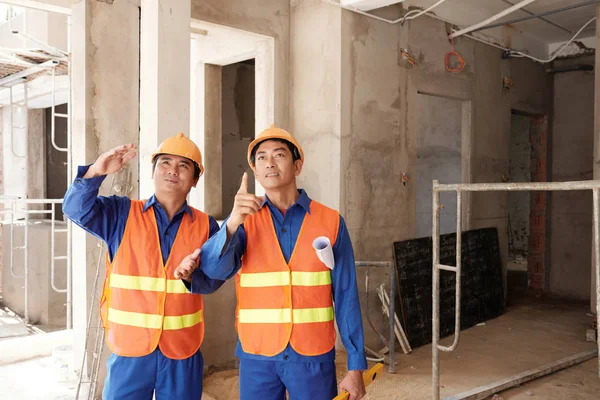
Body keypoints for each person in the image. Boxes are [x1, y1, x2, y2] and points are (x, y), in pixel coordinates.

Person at [179, 125, 368, 400]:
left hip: (312, 355)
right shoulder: (243, 222)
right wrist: (232, 222)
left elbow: (346, 294)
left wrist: (355, 366)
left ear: (297, 165)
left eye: (279, 155)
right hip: (258, 357)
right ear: (255, 171)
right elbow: (213, 271)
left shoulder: (330, 221)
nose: (269, 163)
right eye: (261, 158)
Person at [63, 132, 224, 400]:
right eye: (165, 163)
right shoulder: (121, 214)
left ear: (195, 180)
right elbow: (74, 209)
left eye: (184, 166)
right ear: (153, 172)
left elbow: (213, 281)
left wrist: (193, 275)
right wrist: (96, 171)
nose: (173, 171)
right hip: (130, 351)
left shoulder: (207, 226)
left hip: (181, 352)